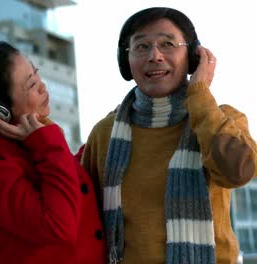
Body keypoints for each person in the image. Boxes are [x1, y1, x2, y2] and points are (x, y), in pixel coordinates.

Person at [81, 7, 257, 264]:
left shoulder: (222, 119)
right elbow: (86, 219)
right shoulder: (104, 133)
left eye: (167, 44)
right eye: (141, 47)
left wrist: (200, 94)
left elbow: (239, 171)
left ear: (193, 57)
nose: (155, 56)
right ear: (126, 61)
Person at [0, 40, 107, 264]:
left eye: (37, 75)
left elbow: (70, 186)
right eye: (30, 85)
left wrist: (105, 136)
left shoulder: (29, 144)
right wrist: (48, 144)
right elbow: (58, 226)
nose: (43, 87)